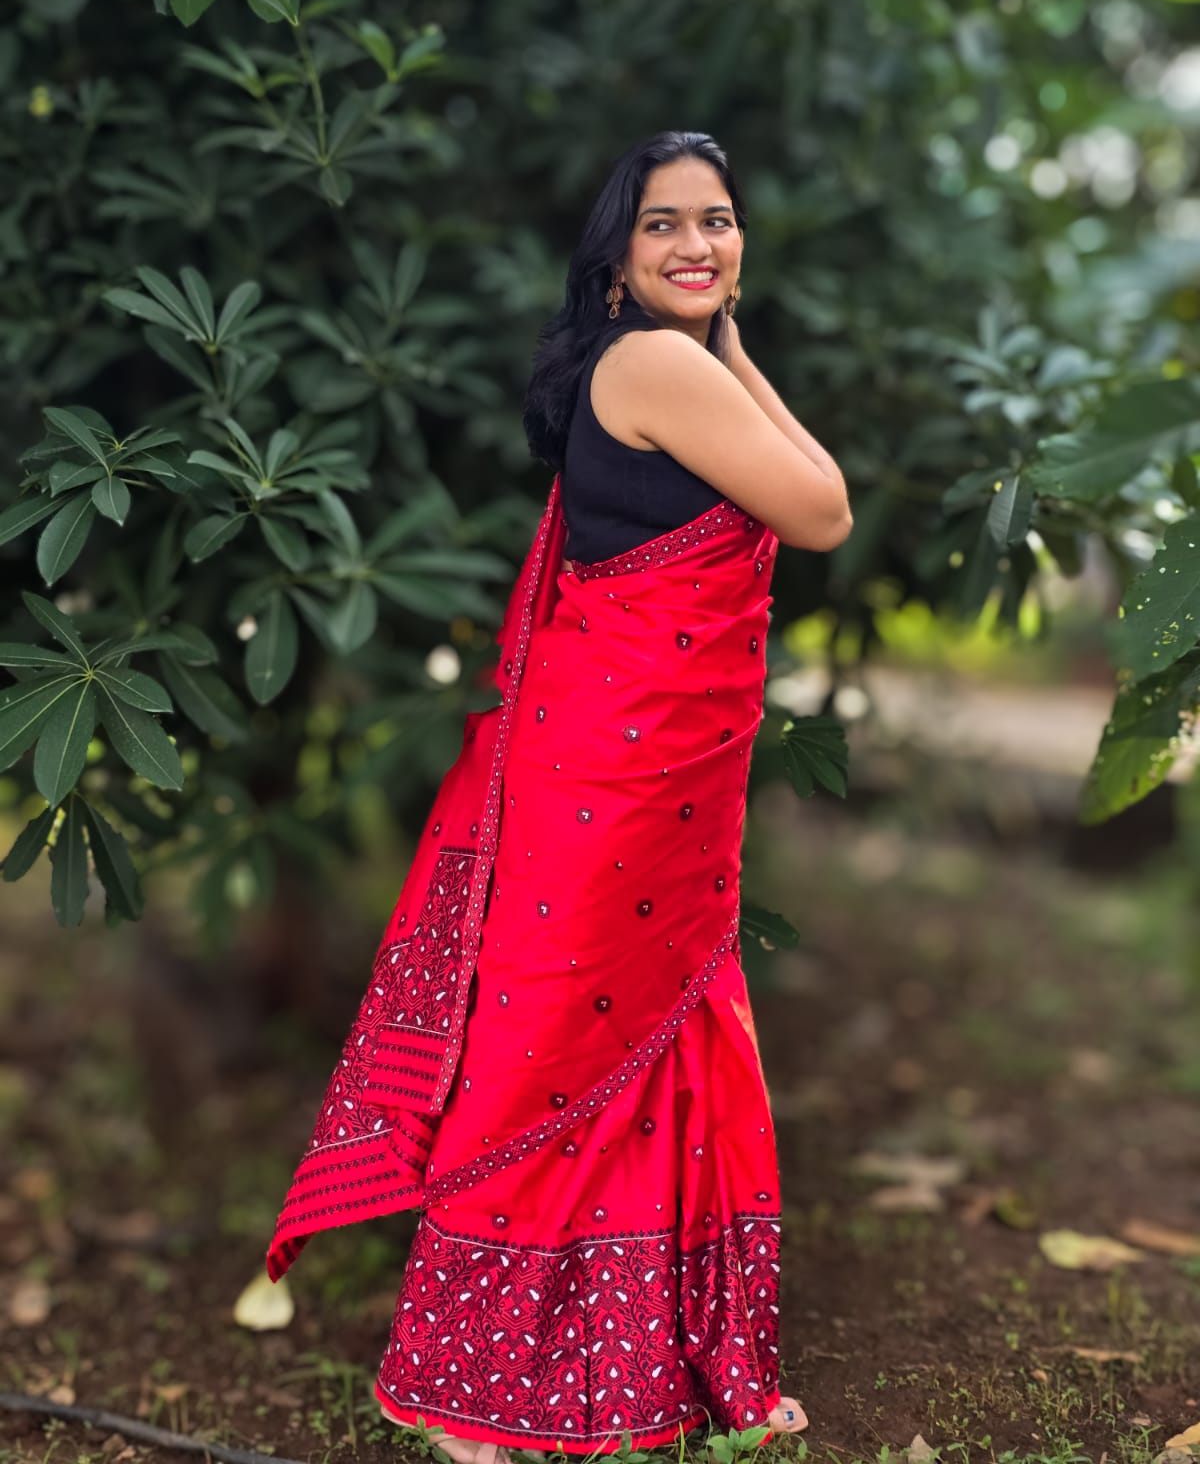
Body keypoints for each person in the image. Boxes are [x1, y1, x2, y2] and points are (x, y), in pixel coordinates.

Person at [264, 130, 852, 1464]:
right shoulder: (650, 364)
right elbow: (822, 510)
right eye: (665, 226)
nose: (699, 243)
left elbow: (807, 486)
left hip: (643, 770)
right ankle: (464, 1387)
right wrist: (719, 350)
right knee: (553, 1063)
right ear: (617, 259)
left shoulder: (670, 359)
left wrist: (733, 343)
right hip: (614, 775)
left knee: (659, 1050)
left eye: (719, 220)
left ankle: (653, 1363)